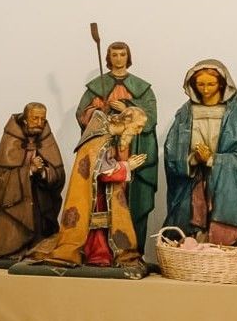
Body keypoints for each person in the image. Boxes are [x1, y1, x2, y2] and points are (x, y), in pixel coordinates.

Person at [23, 104, 149, 273]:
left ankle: (102, 252)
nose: (139, 132)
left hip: (101, 191)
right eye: (138, 126)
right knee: (93, 222)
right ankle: (97, 254)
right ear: (127, 121)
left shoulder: (107, 134)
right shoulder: (100, 139)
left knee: (103, 223)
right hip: (93, 193)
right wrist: (128, 166)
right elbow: (103, 173)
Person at [161, 60, 237, 245]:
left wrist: (213, 159)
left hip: (227, 183)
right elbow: (172, 150)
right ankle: (193, 246)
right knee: (191, 221)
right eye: (200, 84)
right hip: (193, 180)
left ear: (222, 84)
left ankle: (223, 246)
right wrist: (192, 159)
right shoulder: (185, 113)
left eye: (211, 84)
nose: (205, 89)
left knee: (220, 224)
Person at [77, 40, 158, 229]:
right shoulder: (96, 87)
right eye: (114, 55)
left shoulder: (142, 88)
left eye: (123, 54)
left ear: (128, 57)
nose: (119, 59)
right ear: (108, 58)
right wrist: (99, 111)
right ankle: (106, 242)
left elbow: (151, 117)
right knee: (105, 193)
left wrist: (127, 108)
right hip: (105, 147)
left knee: (132, 195)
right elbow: (82, 114)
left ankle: (133, 242)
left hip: (133, 146)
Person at [0, 103, 63, 264]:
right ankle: (15, 251)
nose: (39, 123)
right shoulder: (11, 137)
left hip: (40, 201)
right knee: (14, 230)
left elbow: (59, 173)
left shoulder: (46, 139)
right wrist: (30, 170)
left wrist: (43, 172)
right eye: (35, 118)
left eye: (43, 119)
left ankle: (37, 251)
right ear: (25, 119)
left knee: (42, 233)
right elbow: (3, 175)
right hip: (17, 204)